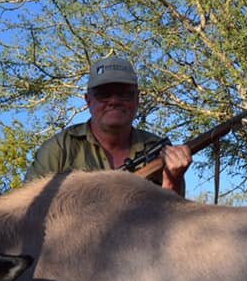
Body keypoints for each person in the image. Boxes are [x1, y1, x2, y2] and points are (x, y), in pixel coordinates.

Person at [25, 56, 192, 195]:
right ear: (88, 100)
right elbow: (27, 211)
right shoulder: (59, 150)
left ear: (137, 100)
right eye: (104, 94)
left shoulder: (158, 149)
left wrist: (172, 181)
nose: (114, 101)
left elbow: (172, 223)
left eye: (124, 94)